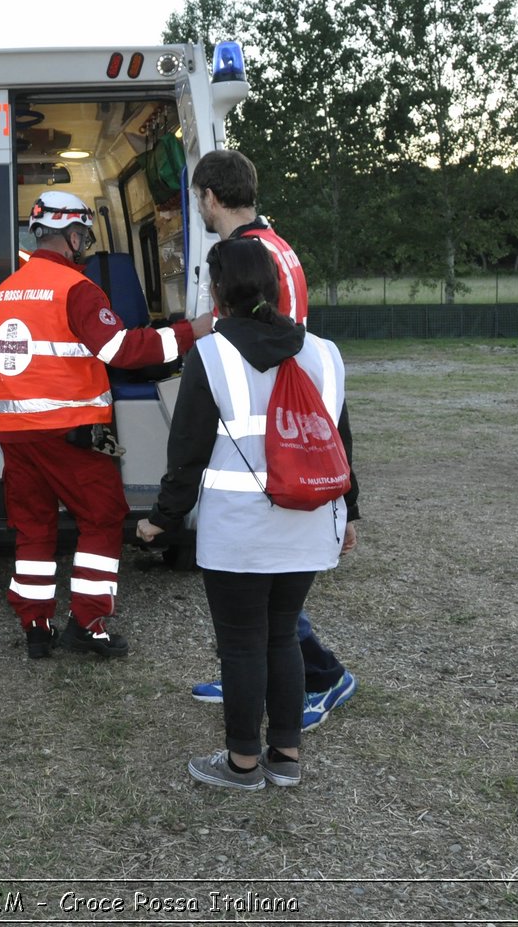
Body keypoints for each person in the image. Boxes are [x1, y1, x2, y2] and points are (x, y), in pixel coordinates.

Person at [136, 237, 359, 790]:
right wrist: (349, 512)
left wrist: (160, 520)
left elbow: (186, 453)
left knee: (240, 644)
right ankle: (285, 757)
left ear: (217, 293)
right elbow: (341, 444)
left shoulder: (211, 354)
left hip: (239, 531)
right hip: (310, 522)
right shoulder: (325, 352)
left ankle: (240, 763)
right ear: (276, 287)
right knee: (281, 637)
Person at [0, 190, 212, 661]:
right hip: (70, 431)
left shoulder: (4, 291)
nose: (84, 246)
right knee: (103, 518)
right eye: (82, 237)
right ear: (71, 235)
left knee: (33, 527)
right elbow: (124, 351)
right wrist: (195, 330)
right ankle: (87, 625)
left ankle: (36, 627)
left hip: (15, 433)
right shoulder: (77, 289)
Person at [186, 148, 358, 729]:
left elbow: (269, 339)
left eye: (197, 200)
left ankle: (321, 676)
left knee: (265, 597)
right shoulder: (276, 247)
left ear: (210, 196)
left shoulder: (255, 255)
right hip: (287, 417)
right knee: (266, 602)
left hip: (277, 426)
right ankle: (250, 675)